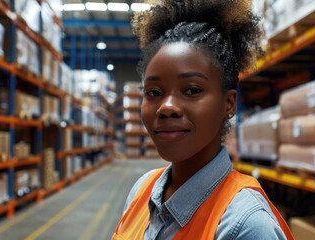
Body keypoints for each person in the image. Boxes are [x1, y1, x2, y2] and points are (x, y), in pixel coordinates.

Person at [112, 0, 294, 239]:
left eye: (192, 90)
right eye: (154, 93)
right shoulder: (143, 189)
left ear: (228, 104)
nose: (166, 108)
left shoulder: (245, 224)